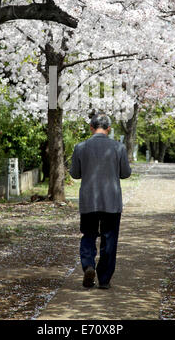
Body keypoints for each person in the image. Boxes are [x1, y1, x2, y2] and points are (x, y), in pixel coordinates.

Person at [70, 113, 131, 289]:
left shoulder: (80, 147)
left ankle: (88, 265)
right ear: (109, 129)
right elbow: (125, 173)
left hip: (89, 200)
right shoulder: (118, 148)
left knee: (88, 234)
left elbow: (75, 174)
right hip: (111, 201)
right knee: (109, 239)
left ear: (91, 127)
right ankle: (104, 279)